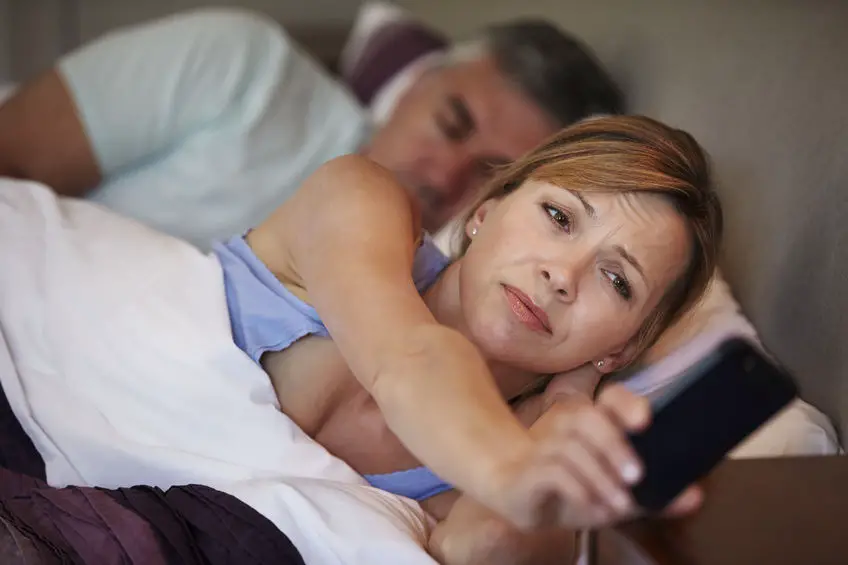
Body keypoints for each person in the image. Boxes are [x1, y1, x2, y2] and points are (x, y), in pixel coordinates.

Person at [0, 114, 722, 564]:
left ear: (621, 349)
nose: (561, 274)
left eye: (617, 281)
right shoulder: (363, 200)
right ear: (485, 211)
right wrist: (509, 468)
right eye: (559, 217)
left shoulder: (520, 444)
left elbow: (481, 548)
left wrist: (568, 405)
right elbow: (407, 359)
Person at [0, 8, 623, 250]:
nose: (444, 175)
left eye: (490, 172)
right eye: (450, 123)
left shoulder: (414, 294)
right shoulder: (244, 68)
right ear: (416, 87)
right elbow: (13, 152)